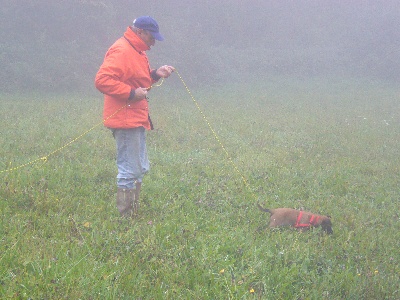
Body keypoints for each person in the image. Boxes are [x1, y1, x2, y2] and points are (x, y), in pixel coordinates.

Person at [95, 16, 175, 218]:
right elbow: (102, 80)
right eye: (151, 36)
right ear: (140, 32)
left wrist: (156, 73)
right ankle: (125, 219)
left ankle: (133, 212)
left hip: (136, 117)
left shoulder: (136, 50)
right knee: (129, 169)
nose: (154, 41)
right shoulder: (122, 50)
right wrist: (131, 93)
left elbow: (140, 78)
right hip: (125, 118)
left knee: (139, 167)